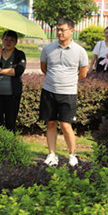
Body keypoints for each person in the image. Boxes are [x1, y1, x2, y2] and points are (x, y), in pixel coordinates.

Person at [40, 17, 88, 167]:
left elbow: (83, 73)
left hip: (68, 93)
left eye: (63, 30)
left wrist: (68, 82)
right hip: (49, 91)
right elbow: (44, 68)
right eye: (58, 30)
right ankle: (52, 155)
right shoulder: (48, 48)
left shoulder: (80, 51)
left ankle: (72, 155)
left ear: (72, 31)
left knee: (66, 125)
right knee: (50, 123)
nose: (60, 32)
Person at [0, 30, 27, 132]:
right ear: (2, 40)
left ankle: (10, 142)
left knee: (11, 122)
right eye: (6, 39)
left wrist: (1, 71)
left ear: (16, 42)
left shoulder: (19, 54)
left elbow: (18, 71)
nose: (8, 42)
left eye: (12, 40)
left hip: (12, 95)